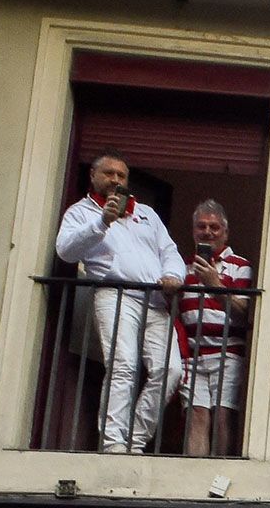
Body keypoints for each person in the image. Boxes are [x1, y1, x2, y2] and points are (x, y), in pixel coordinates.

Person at [54, 153, 185, 453]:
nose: (115, 180)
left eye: (121, 176)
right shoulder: (81, 212)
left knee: (171, 370)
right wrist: (102, 222)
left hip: (155, 300)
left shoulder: (147, 214)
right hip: (115, 295)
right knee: (123, 365)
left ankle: (135, 438)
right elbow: (65, 251)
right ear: (93, 176)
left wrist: (173, 275)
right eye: (109, 173)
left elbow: (170, 251)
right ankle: (114, 442)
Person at [176, 199, 253, 458]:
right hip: (193, 354)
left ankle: (218, 473)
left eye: (214, 227)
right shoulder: (183, 267)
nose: (207, 232)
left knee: (223, 415)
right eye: (201, 226)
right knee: (196, 416)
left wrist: (214, 284)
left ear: (225, 233)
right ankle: (192, 478)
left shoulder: (240, 266)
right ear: (193, 231)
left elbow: (245, 312)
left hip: (228, 352)